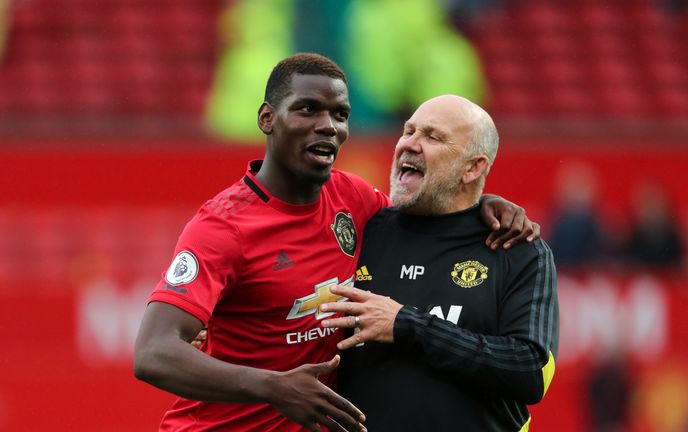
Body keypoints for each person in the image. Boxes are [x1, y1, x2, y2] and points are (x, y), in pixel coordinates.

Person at [133, 53, 539, 432]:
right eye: (308, 109)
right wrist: (272, 386)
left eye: (340, 114)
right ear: (267, 118)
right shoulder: (223, 227)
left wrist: (483, 201)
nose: (328, 125)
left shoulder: (354, 199)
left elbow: (424, 214)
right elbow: (153, 352)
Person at [319, 95, 559, 431]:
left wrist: (407, 325)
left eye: (432, 137)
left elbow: (530, 371)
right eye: (408, 131)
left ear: (473, 167)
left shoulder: (516, 250)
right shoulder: (362, 233)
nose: (409, 145)